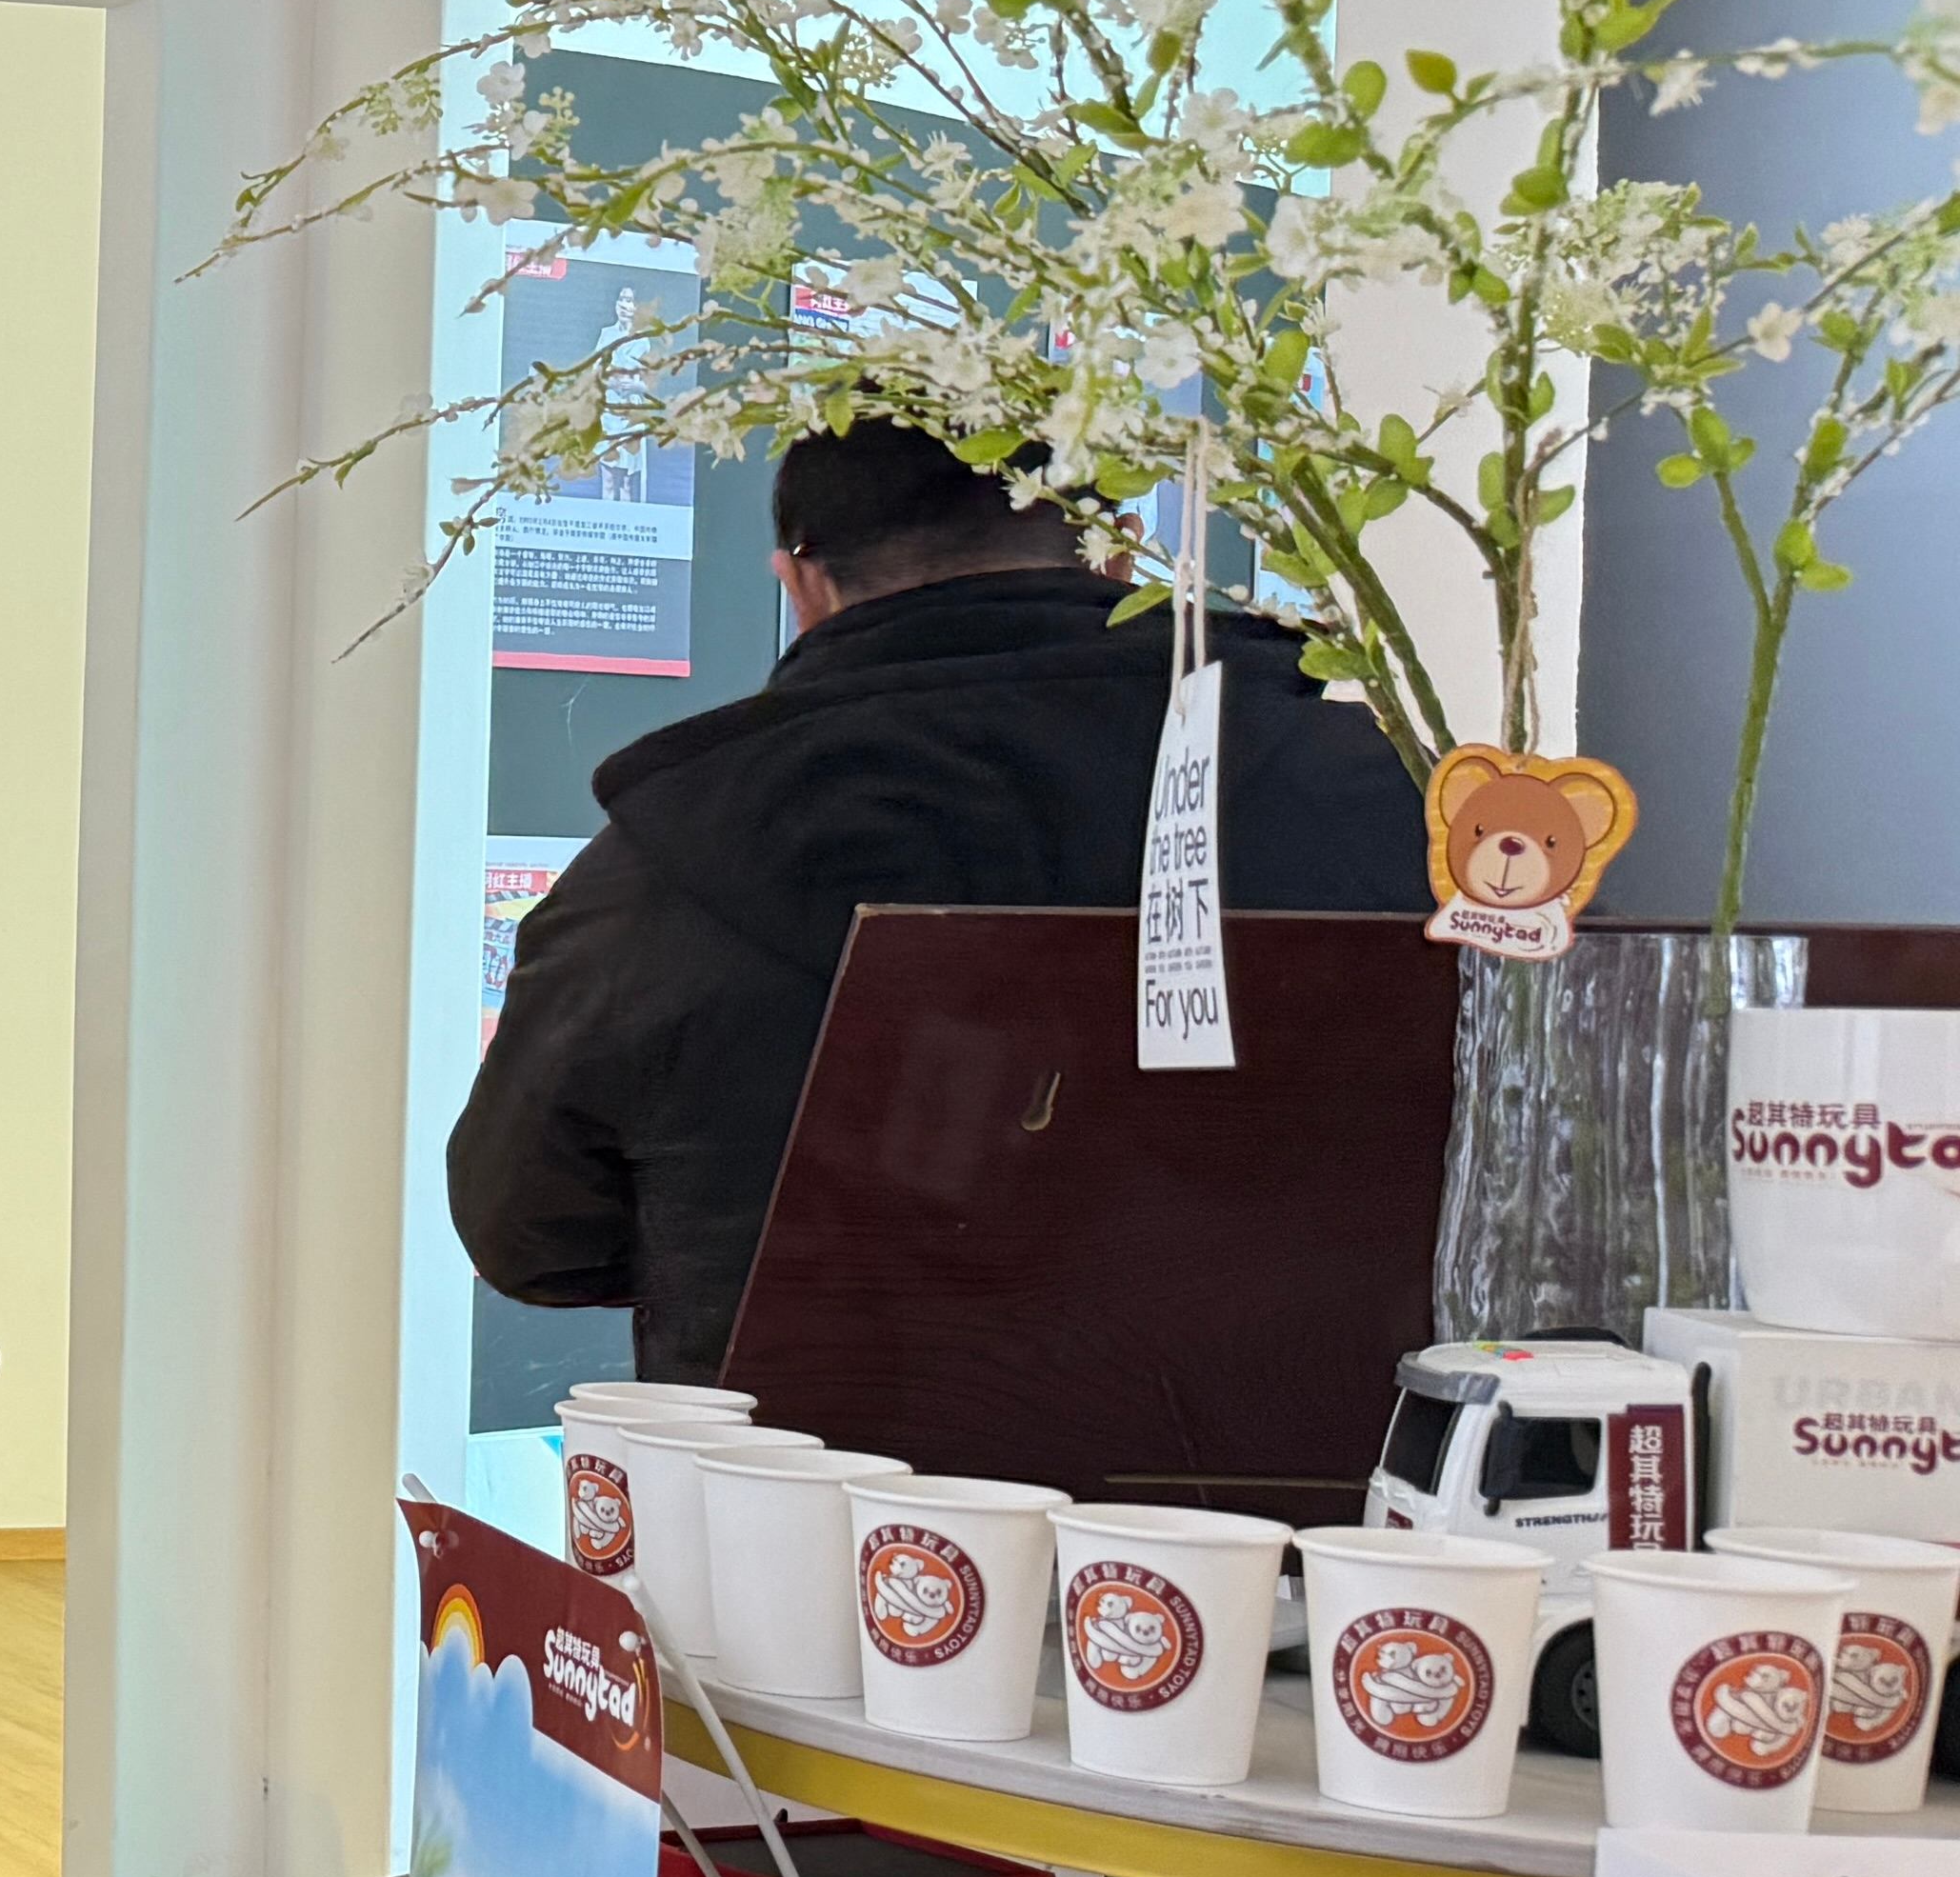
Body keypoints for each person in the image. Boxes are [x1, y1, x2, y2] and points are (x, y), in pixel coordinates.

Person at [450, 416, 1432, 1385]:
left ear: (801, 588)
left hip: (803, 1471)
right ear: (1119, 556)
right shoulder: (1384, 794)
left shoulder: (663, 861)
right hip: (1304, 1474)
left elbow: (527, 1234)